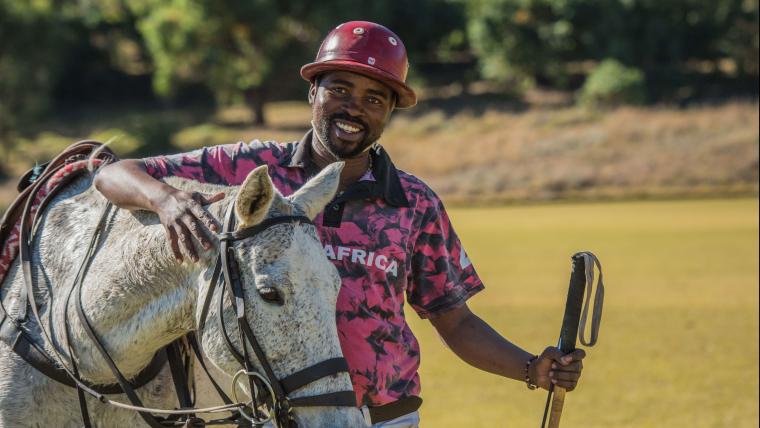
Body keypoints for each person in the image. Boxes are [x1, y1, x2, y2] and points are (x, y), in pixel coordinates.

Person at [94, 21, 585, 427]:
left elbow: (454, 320)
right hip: (264, 415)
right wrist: (166, 199)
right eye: (341, 89)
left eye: (375, 98)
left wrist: (531, 369)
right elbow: (113, 174)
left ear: (390, 112)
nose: (355, 107)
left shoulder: (413, 203)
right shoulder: (251, 169)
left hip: (383, 418)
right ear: (313, 92)